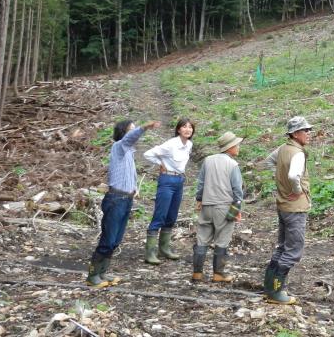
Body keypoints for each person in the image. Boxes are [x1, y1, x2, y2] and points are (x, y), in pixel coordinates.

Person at [86, 119, 162, 288]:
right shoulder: (119, 147)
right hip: (115, 199)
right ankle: (92, 276)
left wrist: (134, 188)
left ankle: (102, 273)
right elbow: (129, 139)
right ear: (123, 132)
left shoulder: (129, 153)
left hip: (125, 199)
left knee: (116, 240)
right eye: (131, 130)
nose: (133, 134)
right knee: (108, 239)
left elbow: (130, 175)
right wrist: (144, 127)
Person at [262, 116, 312, 304]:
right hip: (295, 208)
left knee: (281, 247)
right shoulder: (298, 153)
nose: (308, 133)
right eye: (305, 130)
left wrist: (280, 185)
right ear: (295, 134)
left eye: (308, 130)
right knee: (293, 251)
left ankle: (269, 288)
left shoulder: (282, 149)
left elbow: (268, 162)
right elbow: (293, 175)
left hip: (282, 206)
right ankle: (276, 292)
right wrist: (296, 190)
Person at [192, 131, 244, 283]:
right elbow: (237, 189)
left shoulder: (208, 160)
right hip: (224, 207)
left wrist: (199, 199)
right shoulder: (232, 164)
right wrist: (237, 209)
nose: (238, 147)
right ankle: (218, 274)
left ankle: (197, 273)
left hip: (207, 205)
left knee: (202, 238)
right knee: (222, 240)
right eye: (237, 145)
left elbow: (201, 183)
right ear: (230, 148)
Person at [142, 118, 195, 265]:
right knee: (160, 214)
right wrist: (161, 164)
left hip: (179, 181)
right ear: (178, 130)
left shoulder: (189, 145)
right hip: (167, 180)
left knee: (172, 216)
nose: (187, 130)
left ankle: (164, 248)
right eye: (184, 127)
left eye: (190, 127)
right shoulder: (171, 144)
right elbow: (148, 154)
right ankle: (150, 252)